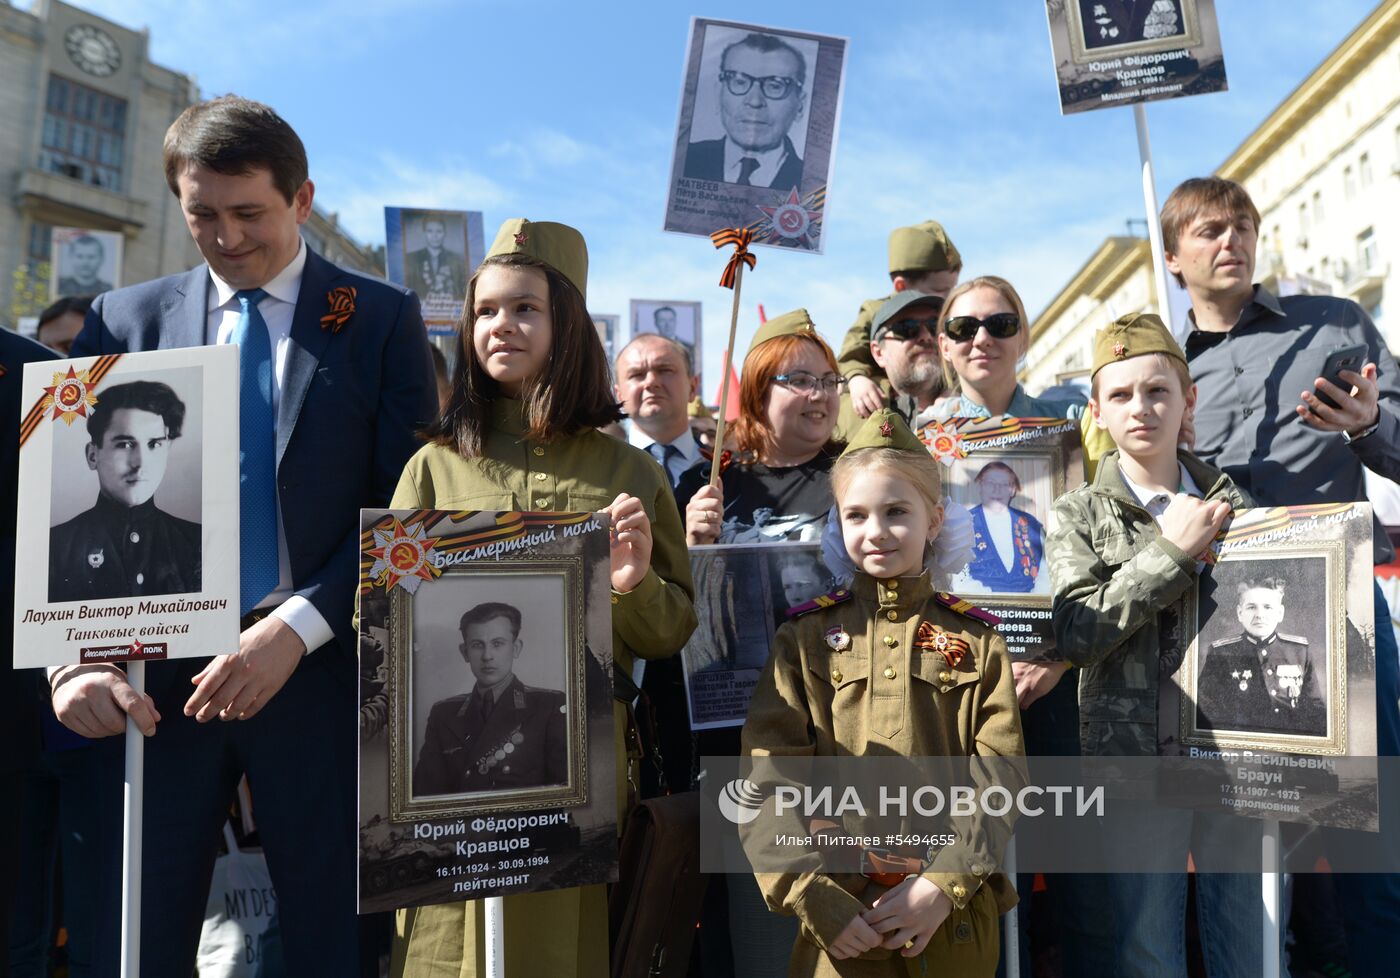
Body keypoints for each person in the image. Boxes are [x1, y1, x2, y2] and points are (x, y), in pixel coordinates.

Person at [51, 94, 436, 978]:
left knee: (333, 942)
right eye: (203, 215)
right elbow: (77, 504)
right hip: (155, 677)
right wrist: (77, 663)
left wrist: (294, 630)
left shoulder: (377, 319)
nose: (226, 237)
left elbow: (404, 511)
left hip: (321, 670)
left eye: (248, 213)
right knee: (135, 937)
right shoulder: (124, 320)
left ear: (301, 200)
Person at [390, 217, 696, 977]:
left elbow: (670, 633)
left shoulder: (629, 472)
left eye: (525, 307)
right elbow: (387, 633)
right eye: (486, 310)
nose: (501, 325)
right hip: (446, 795)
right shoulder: (430, 468)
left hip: (575, 783)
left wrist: (630, 583)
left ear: (567, 326)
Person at [1163, 175, 1400, 976]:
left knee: (1365, 825)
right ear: (1172, 257)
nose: (1229, 242)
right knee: (1237, 828)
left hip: (1336, 606)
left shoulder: (1334, 321)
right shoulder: (1158, 365)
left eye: (1240, 227)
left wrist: (1369, 428)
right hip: (1214, 617)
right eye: (1207, 231)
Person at [743, 408, 1023, 976]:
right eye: (856, 515)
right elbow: (766, 782)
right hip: (841, 926)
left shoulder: (978, 639)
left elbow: (1002, 779)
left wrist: (943, 885)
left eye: (897, 511)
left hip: (949, 921)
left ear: (936, 518)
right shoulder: (802, 641)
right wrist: (810, 894)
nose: (875, 531)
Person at [1049, 312, 1259, 977]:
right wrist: (1173, 552)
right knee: (1147, 950)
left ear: (1188, 399)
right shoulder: (1077, 511)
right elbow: (1079, 629)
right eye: (1121, 395)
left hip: (1237, 751)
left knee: (1251, 941)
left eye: (1158, 391)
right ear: (1097, 411)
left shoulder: (1236, 503)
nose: (1141, 408)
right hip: (1133, 758)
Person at [679, 309, 842, 546]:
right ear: (758, 392)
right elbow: (665, 581)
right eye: (800, 381)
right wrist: (694, 545)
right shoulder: (707, 482)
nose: (819, 394)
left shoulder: (859, 473)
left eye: (829, 381)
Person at [49, 380, 201, 602]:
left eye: (154, 444)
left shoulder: (196, 541)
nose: (140, 463)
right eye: (125, 444)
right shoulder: (56, 548)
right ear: (93, 455)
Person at [413, 602, 567, 796]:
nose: (487, 656)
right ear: (465, 652)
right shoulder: (443, 714)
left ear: (516, 648)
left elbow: (562, 794)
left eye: (497, 644)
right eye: (477, 645)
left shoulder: (549, 707)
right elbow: (426, 793)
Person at [836, 220, 962, 431]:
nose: (949, 298)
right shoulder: (875, 310)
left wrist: (954, 389)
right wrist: (857, 380)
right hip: (887, 405)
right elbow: (851, 353)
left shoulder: (949, 315)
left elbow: (960, 359)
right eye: (941, 290)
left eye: (952, 289)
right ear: (901, 286)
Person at [927, 276, 1086, 425]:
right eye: (963, 327)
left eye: (1000, 324)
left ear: (1022, 339)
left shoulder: (1074, 419)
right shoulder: (922, 435)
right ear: (945, 347)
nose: (982, 339)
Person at [1196, 576, 1325, 736]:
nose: (1259, 615)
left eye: (1267, 607)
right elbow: (1206, 709)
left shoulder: (1299, 651)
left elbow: (1315, 709)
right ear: (1239, 613)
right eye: (1251, 607)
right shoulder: (1221, 652)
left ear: (1280, 613)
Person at [683, 31, 806, 190]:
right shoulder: (685, 159)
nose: (755, 101)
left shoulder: (813, 183)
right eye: (739, 82)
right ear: (717, 95)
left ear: (800, 105)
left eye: (775, 86)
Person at [614, 333, 703, 495]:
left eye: (665, 370)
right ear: (619, 395)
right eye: (636, 374)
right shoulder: (598, 472)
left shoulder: (730, 473)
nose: (651, 382)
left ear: (692, 387)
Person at [960, 461, 1046, 596]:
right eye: (990, 483)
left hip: (1028, 607)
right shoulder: (963, 523)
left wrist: (1034, 600)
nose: (997, 489)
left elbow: (1045, 573)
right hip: (978, 605)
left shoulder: (1031, 525)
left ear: (1012, 490)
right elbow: (959, 577)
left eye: (1004, 484)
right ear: (980, 486)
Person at [866, 291, 949, 424]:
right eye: (907, 328)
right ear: (879, 353)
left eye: (934, 326)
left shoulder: (978, 403)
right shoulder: (846, 414)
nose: (926, 336)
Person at [405, 214, 466, 301]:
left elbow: (461, 291)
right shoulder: (412, 258)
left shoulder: (456, 260)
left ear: (444, 233)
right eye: (430, 231)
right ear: (424, 233)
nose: (435, 236)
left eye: (439, 231)